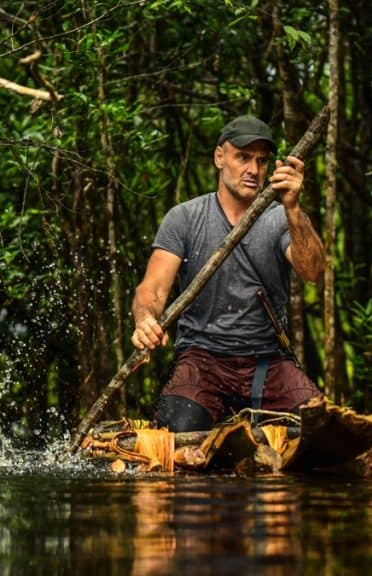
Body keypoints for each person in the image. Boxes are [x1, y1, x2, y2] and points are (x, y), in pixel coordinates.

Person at [130, 114, 326, 432]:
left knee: (322, 430)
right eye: (243, 157)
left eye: (262, 161)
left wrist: (292, 207)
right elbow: (152, 290)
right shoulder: (184, 218)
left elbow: (314, 271)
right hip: (201, 359)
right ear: (220, 157)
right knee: (180, 432)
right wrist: (146, 320)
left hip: (268, 361)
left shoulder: (281, 219)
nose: (253, 170)